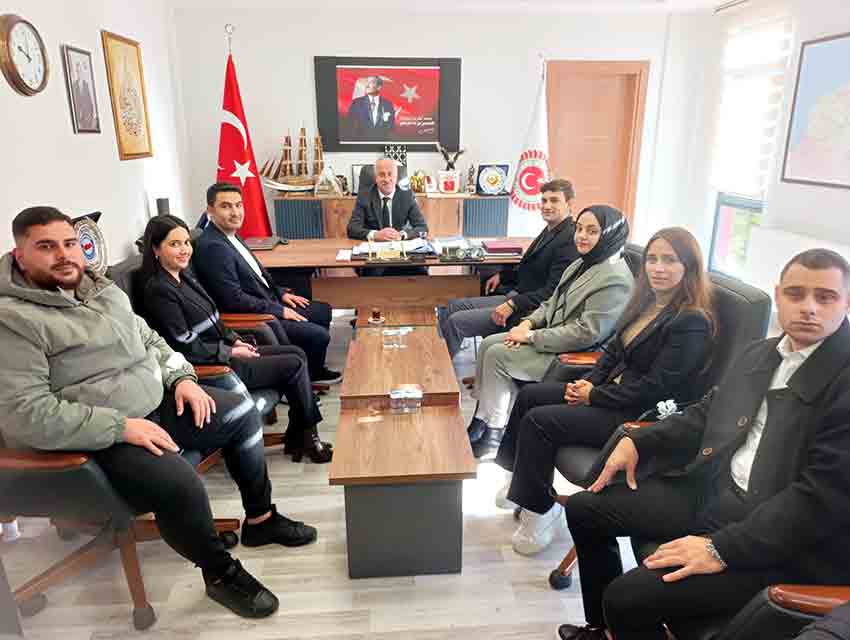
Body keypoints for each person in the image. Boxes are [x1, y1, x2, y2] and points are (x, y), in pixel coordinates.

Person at [0, 207, 328, 619]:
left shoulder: (101, 291)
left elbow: (152, 341)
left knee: (242, 413)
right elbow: (26, 415)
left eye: (69, 243)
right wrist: (121, 427)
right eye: (46, 247)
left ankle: (260, 519)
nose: (64, 255)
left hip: (153, 404)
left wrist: (182, 378)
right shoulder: (13, 321)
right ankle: (220, 573)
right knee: (180, 481)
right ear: (20, 255)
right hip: (96, 437)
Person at [557, 248, 850, 640]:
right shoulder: (761, 353)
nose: (809, 308)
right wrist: (639, 439)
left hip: (784, 540)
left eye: (825, 297)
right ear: (778, 296)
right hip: (717, 493)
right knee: (583, 509)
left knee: (626, 598)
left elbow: (817, 502)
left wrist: (720, 549)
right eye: (796, 294)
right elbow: (707, 412)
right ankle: (602, 630)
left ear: (846, 302)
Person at [493, 227, 714, 555]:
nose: (658, 267)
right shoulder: (645, 303)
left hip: (637, 415)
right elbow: (612, 353)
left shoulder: (691, 321)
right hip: (613, 394)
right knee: (530, 396)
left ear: (689, 266)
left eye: (670, 260)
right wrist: (590, 383)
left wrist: (594, 396)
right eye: (652, 259)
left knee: (540, 422)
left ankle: (541, 510)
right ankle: (520, 480)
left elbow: (657, 387)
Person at [139, 215, 331, 463]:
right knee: (293, 363)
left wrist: (235, 340)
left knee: (297, 353)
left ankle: (300, 433)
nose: (184, 249)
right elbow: (183, 344)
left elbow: (216, 319)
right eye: (174, 244)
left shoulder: (183, 277)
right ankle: (307, 437)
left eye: (186, 242)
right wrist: (229, 352)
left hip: (224, 352)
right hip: (209, 365)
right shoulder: (158, 290)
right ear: (156, 249)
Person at [467, 206, 634, 452]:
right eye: (579, 229)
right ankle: (482, 417)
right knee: (488, 343)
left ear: (610, 235)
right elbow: (550, 303)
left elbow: (586, 333)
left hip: (572, 354)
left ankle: (494, 431)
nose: (581, 236)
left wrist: (531, 336)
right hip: (551, 336)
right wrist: (527, 323)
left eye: (592, 231)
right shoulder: (580, 264)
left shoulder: (615, 279)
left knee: (497, 355)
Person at [192, 182, 341, 384]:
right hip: (256, 315)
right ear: (210, 210)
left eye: (238, 205)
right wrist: (279, 310)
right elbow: (233, 299)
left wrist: (281, 294)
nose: (235, 212)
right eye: (226, 206)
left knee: (322, 311)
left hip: (268, 300)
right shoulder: (213, 247)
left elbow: (257, 276)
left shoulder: (229, 235)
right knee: (319, 335)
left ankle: (313, 370)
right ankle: (305, 377)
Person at [438, 179, 580, 359]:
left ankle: (439, 370)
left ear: (569, 203)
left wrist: (512, 304)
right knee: (453, 306)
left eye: (554, 200)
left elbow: (552, 293)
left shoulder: (568, 239)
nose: (546, 206)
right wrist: (503, 276)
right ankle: (439, 358)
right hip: (516, 297)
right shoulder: (550, 231)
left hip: (528, 310)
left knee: (455, 322)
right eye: (544, 200)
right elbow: (530, 269)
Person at [346, 157, 429, 276]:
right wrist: (375, 235)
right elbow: (352, 229)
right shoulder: (365, 196)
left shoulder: (407, 195)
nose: (386, 179)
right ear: (376, 178)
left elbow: (422, 228)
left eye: (390, 174)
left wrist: (401, 235)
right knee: (375, 274)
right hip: (376, 254)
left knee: (420, 274)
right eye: (382, 175)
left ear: (396, 176)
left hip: (400, 252)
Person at [346, 76, 395, 140]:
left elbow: (391, 126)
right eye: (367, 82)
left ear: (379, 87)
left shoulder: (387, 104)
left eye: (371, 82)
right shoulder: (357, 103)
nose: (367, 85)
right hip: (361, 141)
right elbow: (350, 124)